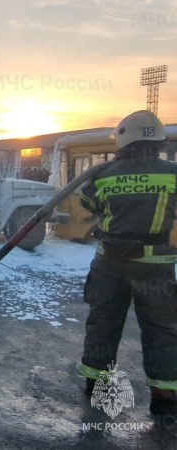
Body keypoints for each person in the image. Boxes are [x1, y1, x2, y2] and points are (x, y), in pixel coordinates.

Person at [76, 110, 177, 416]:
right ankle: (165, 396)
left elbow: (88, 204)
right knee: (162, 330)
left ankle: (97, 387)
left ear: (122, 142)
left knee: (103, 325)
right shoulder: (172, 173)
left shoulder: (102, 175)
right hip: (155, 266)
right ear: (158, 141)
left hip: (111, 263)